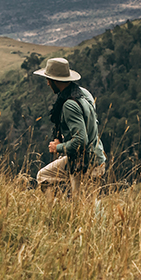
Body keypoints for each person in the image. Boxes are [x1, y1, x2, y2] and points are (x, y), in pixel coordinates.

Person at [32, 57, 106, 195]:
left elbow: (80, 141)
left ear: (56, 80)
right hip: (96, 157)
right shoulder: (83, 93)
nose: (47, 83)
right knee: (44, 176)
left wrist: (58, 147)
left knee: (82, 209)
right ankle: (61, 211)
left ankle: (58, 213)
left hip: (86, 164)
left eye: (49, 79)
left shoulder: (69, 105)